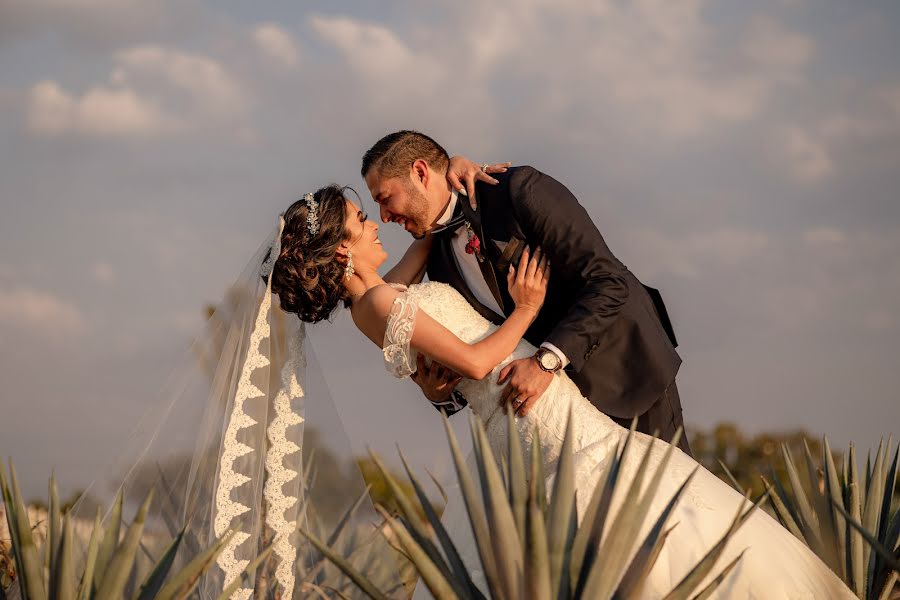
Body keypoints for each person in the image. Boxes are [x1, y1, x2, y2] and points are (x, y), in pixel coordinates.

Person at [267, 183, 854, 597]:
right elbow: (473, 363)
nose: (375, 223)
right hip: (525, 409)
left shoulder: (380, 291)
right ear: (342, 248)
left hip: (535, 408)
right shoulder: (374, 303)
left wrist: (454, 181)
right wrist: (525, 311)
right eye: (361, 221)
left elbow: (426, 241)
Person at [361, 131, 690, 455]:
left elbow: (610, 281)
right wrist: (440, 395)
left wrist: (546, 362)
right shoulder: (436, 258)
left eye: (385, 198)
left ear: (420, 172)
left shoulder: (518, 191)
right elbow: (483, 352)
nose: (384, 217)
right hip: (556, 419)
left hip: (624, 374)